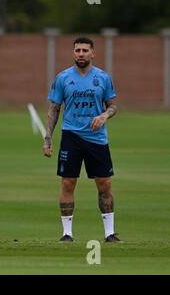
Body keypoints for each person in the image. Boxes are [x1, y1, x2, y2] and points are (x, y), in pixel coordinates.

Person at [43, 37, 121, 243]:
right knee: (68, 182)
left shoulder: (104, 78)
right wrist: (47, 138)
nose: (81, 53)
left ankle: (109, 233)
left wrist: (104, 115)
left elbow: (113, 105)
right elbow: (54, 109)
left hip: (97, 138)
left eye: (85, 50)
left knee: (104, 184)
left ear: (93, 53)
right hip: (71, 137)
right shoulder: (63, 78)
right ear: (73, 53)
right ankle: (67, 233)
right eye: (77, 50)